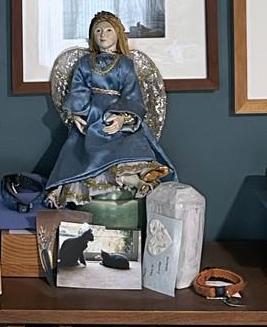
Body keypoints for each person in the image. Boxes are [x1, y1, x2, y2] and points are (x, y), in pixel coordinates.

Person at [44, 11, 175, 208]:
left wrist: (123, 118)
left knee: (128, 149)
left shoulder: (125, 64)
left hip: (116, 115)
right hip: (92, 117)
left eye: (108, 30)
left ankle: (141, 177)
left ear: (118, 34)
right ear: (92, 36)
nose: (103, 35)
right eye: (98, 31)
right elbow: (79, 88)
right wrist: (77, 113)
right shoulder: (85, 63)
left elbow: (132, 94)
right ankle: (133, 181)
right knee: (82, 155)